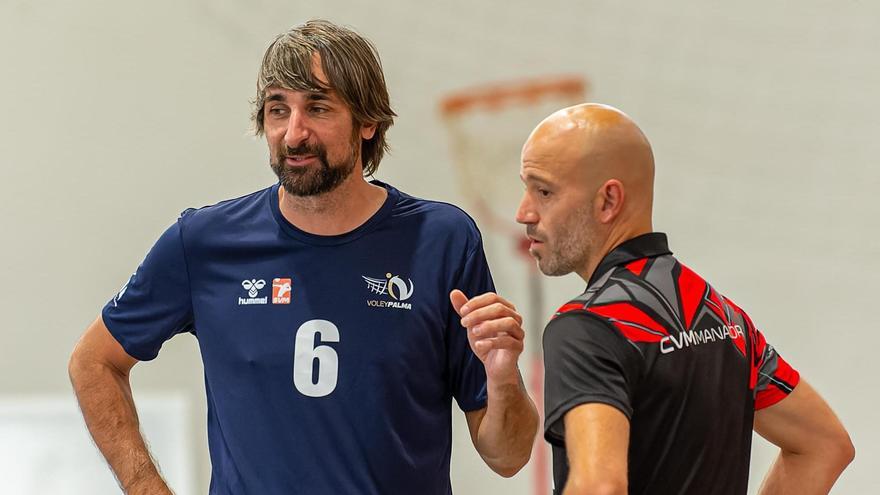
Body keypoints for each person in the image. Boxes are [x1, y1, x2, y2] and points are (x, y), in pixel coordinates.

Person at [68, 20, 537, 494]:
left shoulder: (442, 240)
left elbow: (509, 456)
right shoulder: (204, 242)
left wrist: (502, 379)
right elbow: (94, 362)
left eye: (317, 107)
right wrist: (147, 487)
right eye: (277, 110)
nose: (294, 134)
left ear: (368, 121)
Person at [515, 103, 854, 495]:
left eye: (543, 192)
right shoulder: (722, 316)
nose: (523, 212)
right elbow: (824, 445)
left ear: (608, 200)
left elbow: (599, 487)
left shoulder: (587, 328)